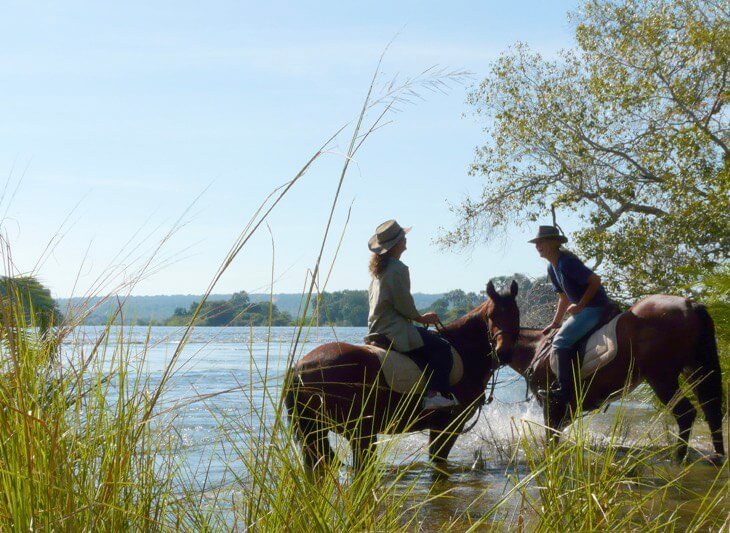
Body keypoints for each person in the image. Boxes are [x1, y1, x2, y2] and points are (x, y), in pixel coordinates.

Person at [364, 219, 458, 410]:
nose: (405, 239)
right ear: (397, 243)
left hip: (376, 329)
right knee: (442, 349)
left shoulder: (378, 271)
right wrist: (423, 319)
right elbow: (404, 306)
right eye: (403, 236)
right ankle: (435, 395)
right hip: (394, 330)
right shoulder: (398, 268)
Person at [529, 225, 611, 406]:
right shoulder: (552, 268)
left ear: (553, 242)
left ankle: (566, 392)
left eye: (541, 242)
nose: (537, 246)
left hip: (596, 307)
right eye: (536, 243)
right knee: (558, 336)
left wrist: (581, 304)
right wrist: (555, 322)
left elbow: (595, 281)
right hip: (585, 309)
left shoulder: (567, 262)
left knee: (560, 342)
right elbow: (564, 297)